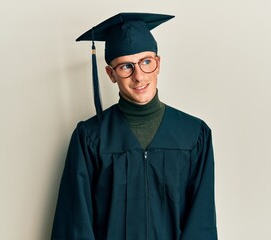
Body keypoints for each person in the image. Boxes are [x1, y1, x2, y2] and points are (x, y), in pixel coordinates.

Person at [51, 12, 217, 240]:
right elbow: (74, 224)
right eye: (126, 66)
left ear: (158, 64)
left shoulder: (194, 135)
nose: (139, 76)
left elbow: (201, 223)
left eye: (146, 62)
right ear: (111, 74)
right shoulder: (90, 137)